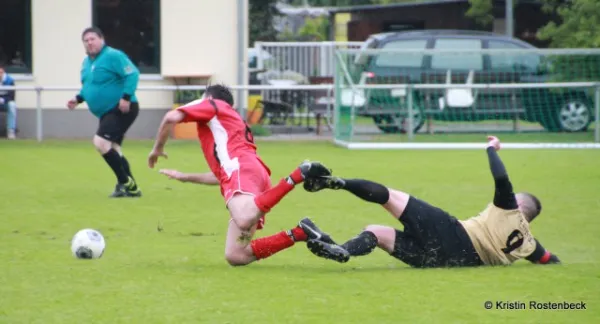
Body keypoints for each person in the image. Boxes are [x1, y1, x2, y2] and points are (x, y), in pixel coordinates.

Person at [148, 84, 335, 266]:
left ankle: (298, 175)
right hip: (253, 173)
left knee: (244, 219)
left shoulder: (214, 105)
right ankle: (300, 232)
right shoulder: (227, 123)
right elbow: (221, 177)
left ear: (209, 98)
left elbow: (170, 117)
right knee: (236, 255)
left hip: (242, 171)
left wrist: (157, 149)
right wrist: (184, 176)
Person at [302, 136, 561, 268]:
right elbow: (550, 260)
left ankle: (336, 182)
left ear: (518, 204)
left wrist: (491, 148)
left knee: (391, 197)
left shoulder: (509, 208)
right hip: (451, 262)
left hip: (457, 235)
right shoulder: (530, 245)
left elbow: (502, 177)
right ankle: (344, 251)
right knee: (376, 233)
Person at [66, 27, 141, 198]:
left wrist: (126, 97)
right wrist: (77, 99)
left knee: (100, 143)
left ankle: (126, 182)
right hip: (106, 113)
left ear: (102, 39)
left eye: (92, 38)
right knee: (113, 148)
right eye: (86, 40)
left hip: (122, 108)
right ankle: (130, 188)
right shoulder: (86, 63)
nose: (89, 42)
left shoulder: (113, 55)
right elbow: (88, 86)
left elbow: (133, 74)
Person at [0, 63, 17, 139]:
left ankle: (11, 130)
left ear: (3, 72)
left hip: (6, 102)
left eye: (1, 72)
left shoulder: (10, 80)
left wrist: (3, 100)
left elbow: (12, 96)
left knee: (12, 105)